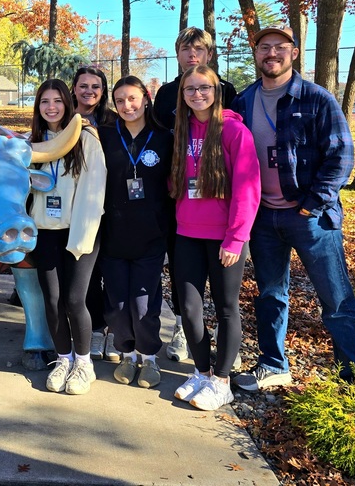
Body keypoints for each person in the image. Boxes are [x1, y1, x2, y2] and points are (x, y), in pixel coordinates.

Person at [231, 26, 355, 392]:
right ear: (256, 54)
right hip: (263, 217)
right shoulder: (243, 102)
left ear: (294, 53)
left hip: (311, 218)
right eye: (264, 47)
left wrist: (311, 206)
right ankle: (273, 364)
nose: (271, 53)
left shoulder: (316, 98)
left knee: (336, 300)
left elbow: (341, 156)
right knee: (270, 295)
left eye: (280, 47)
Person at [170, 66, 260, 410]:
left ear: (216, 90)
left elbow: (248, 189)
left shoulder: (234, 131)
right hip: (186, 233)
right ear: (182, 94)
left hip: (225, 237)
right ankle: (201, 372)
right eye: (190, 89)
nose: (197, 94)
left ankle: (221, 381)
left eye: (204, 88)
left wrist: (236, 238)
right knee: (189, 309)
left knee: (225, 308)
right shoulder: (181, 130)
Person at [152, 27, 238, 365]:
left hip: (219, 202)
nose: (192, 55)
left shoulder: (226, 91)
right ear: (177, 54)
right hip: (182, 200)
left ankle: (225, 337)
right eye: (186, 49)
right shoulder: (166, 94)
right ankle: (182, 328)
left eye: (199, 49)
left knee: (223, 280)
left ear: (209, 55)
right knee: (183, 274)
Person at [28, 80, 107, 395]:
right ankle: (63, 359)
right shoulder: (32, 142)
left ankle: (84, 363)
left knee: (75, 300)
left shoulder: (86, 137)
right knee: (52, 300)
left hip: (80, 232)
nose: (51, 107)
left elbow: (93, 191)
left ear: (68, 103)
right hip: (44, 232)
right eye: (44, 101)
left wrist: (81, 240)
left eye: (57, 101)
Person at [98, 76, 175, 389]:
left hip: (150, 236)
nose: (127, 106)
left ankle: (149, 357)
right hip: (113, 234)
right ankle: (127, 354)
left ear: (146, 97)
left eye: (132, 98)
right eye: (120, 101)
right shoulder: (104, 136)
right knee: (117, 305)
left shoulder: (164, 137)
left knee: (143, 305)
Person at [70, 65, 118, 362]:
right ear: (74, 88)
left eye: (95, 86)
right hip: (75, 209)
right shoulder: (64, 119)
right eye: (83, 85)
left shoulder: (113, 122)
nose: (89, 91)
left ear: (103, 91)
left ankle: (114, 330)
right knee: (85, 275)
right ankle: (96, 328)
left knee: (110, 271)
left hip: (111, 207)